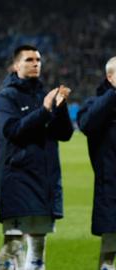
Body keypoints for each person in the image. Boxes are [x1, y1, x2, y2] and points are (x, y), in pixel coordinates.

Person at [0, 45, 74, 270]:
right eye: (29, 59)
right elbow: (11, 131)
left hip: (45, 180)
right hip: (17, 181)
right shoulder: (5, 96)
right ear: (16, 65)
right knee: (13, 245)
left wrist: (60, 108)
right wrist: (45, 111)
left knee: (38, 246)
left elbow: (65, 134)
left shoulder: (44, 94)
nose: (35, 63)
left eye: (38, 59)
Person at [77, 56, 116, 270]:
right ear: (110, 77)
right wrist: (113, 94)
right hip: (111, 190)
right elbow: (86, 123)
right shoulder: (95, 104)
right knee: (109, 249)